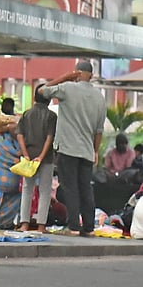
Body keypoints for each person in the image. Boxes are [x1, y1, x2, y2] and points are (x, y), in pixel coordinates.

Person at [39, 61, 107, 237]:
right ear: (91, 75)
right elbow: (99, 130)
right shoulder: (100, 97)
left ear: (76, 73)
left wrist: (64, 77)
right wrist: (96, 151)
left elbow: (42, 90)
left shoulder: (67, 88)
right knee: (86, 187)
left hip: (68, 148)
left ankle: (74, 226)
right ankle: (89, 227)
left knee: (70, 187)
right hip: (86, 150)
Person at [16, 85, 57, 232]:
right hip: (45, 159)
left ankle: (24, 224)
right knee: (45, 190)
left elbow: (19, 135)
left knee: (27, 189)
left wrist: (25, 153)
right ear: (49, 99)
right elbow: (49, 138)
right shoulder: (52, 116)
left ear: (34, 98)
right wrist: (41, 156)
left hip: (29, 157)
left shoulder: (26, 114)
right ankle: (41, 226)